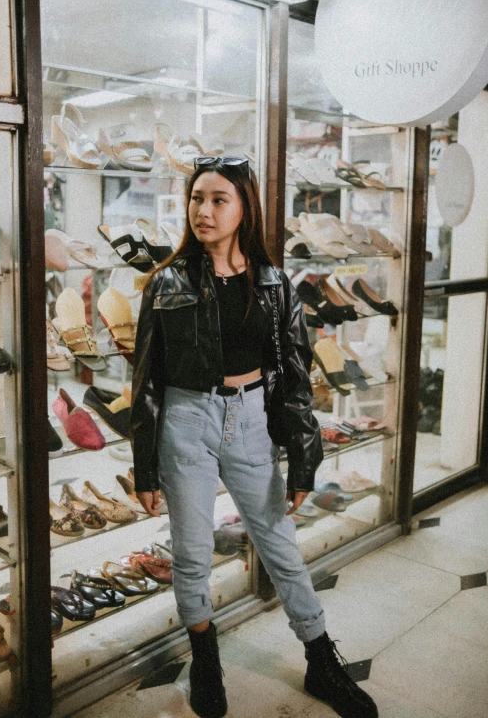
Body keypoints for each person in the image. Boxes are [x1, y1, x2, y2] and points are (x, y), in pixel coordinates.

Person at [130, 157, 378, 718]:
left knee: (279, 545)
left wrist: (304, 457)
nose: (204, 211)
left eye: (219, 199)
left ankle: (320, 658)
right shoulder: (165, 282)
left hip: (250, 422)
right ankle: (206, 661)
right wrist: (144, 464)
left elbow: (294, 375)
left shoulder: (273, 283)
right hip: (185, 421)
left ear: (244, 209)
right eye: (197, 199)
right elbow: (145, 378)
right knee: (192, 553)